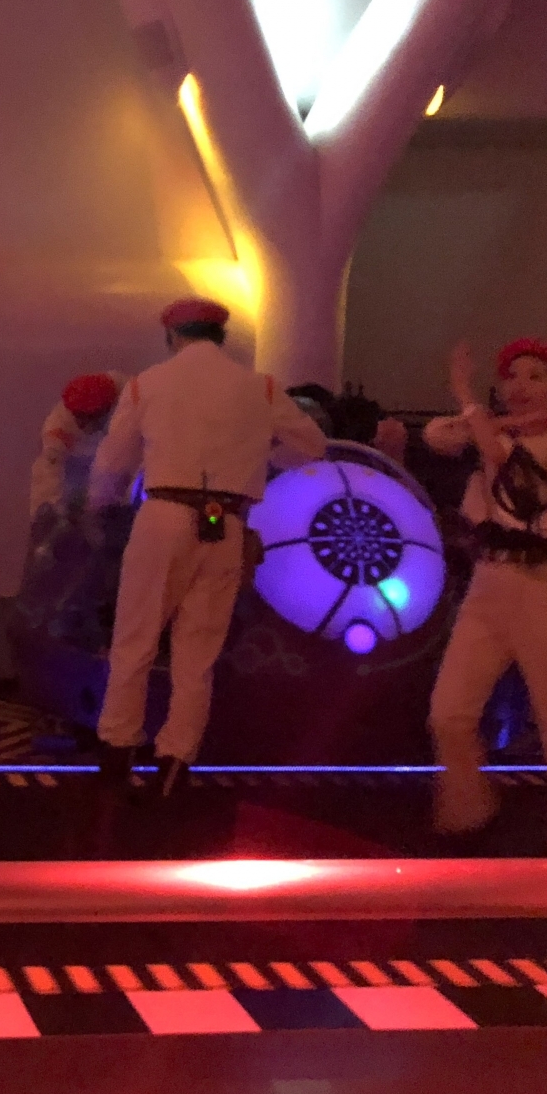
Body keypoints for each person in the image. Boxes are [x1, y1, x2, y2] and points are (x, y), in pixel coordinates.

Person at [85, 298, 328, 794]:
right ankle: (176, 761)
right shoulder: (260, 387)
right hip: (227, 524)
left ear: (172, 336)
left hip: (163, 516)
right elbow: (314, 446)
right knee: (198, 651)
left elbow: (111, 464)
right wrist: (261, 454)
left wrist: (97, 506)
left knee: (136, 639)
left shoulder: (147, 384)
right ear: (221, 336)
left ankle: (117, 753)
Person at [422, 337, 547, 856]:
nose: (519, 386)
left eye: (535, 377)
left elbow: (502, 459)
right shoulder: (494, 427)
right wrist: (478, 416)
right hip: (488, 585)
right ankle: (469, 808)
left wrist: (465, 394)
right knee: (448, 713)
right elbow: (436, 437)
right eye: (512, 376)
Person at [29, 372, 124, 520]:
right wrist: (47, 515)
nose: (83, 424)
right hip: (76, 473)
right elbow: (47, 473)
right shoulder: (57, 429)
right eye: (78, 416)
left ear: (108, 407)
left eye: (90, 416)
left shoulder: (130, 397)